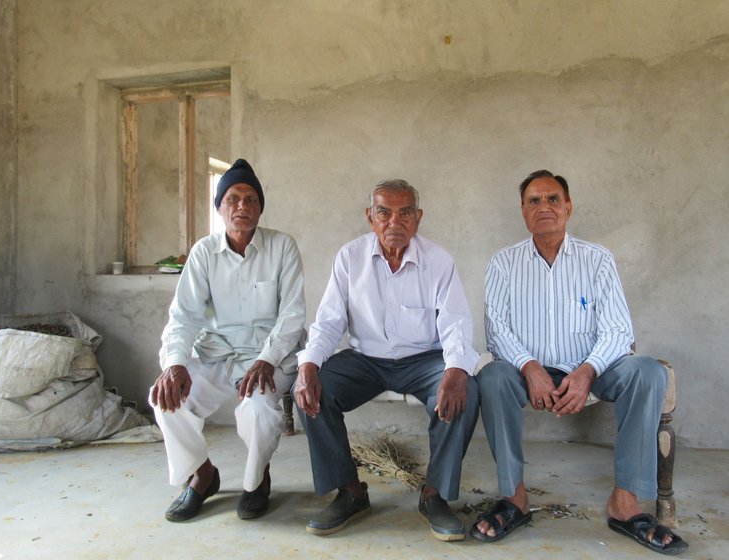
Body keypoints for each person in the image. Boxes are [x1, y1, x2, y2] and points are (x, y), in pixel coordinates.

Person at [473, 169, 687, 554]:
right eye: (534, 201)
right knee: (491, 377)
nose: (545, 207)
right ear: (522, 211)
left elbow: (619, 331)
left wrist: (588, 371)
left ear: (568, 208)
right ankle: (514, 498)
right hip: (527, 372)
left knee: (647, 372)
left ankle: (625, 502)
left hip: (593, 367)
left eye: (553, 199)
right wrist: (529, 367)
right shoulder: (503, 263)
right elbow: (497, 331)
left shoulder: (597, 259)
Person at [294, 179, 480, 541]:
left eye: (405, 212)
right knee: (315, 391)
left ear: (418, 218)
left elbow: (456, 322)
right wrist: (308, 366)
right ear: (370, 218)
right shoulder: (349, 258)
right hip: (367, 359)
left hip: (425, 359)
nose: (395, 222)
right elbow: (329, 321)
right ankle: (349, 491)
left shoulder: (439, 261)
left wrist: (457, 369)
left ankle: (434, 495)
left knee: (466, 390)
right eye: (384, 212)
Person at [149, 158, 306, 522]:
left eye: (251, 199)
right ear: (219, 207)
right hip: (216, 353)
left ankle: (256, 482)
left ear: (260, 208)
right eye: (233, 199)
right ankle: (202, 474)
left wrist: (267, 358)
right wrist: (174, 364)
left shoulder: (282, 247)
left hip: (267, 356)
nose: (242, 206)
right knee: (166, 400)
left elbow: (293, 314)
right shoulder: (204, 253)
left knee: (259, 410)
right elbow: (183, 315)